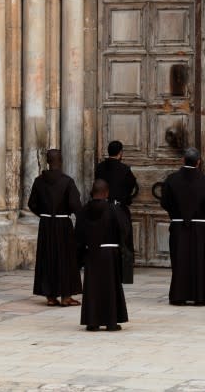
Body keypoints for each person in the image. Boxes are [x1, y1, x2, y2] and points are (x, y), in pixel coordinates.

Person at [160, 147, 205, 306]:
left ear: (183, 160)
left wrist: (176, 214)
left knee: (180, 260)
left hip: (179, 226)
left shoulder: (171, 179)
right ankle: (200, 296)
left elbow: (165, 202)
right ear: (198, 162)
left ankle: (179, 296)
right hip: (200, 228)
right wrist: (203, 215)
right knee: (200, 261)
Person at [28, 149, 83, 307]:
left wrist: (44, 214)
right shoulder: (67, 181)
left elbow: (31, 203)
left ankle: (50, 296)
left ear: (47, 161)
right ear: (61, 160)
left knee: (47, 258)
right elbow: (75, 204)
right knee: (65, 259)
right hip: (63, 224)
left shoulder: (39, 181)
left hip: (46, 224)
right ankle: (66, 296)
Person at [76, 179, 130, 332]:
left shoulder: (83, 211)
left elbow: (78, 234)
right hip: (109, 253)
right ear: (106, 193)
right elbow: (124, 229)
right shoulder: (113, 209)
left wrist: (80, 255)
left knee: (92, 287)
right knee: (110, 287)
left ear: (92, 192)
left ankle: (92, 322)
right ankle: (111, 322)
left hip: (91, 253)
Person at [94, 140, 138, 283]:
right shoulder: (125, 169)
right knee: (123, 238)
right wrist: (125, 198)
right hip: (119, 207)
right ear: (120, 153)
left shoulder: (100, 167)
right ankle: (124, 269)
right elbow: (132, 185)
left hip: (102, 207)